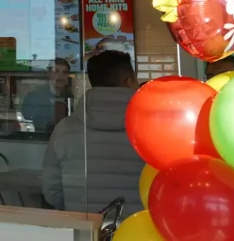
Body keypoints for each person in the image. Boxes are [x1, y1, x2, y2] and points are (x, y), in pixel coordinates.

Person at [40, 50, 145, 214]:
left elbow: (51, 189)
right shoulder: (151, 129)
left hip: (83, 231)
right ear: (128, 80)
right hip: (139, 230)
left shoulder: (64, 129)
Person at [20, 58, 73, 132]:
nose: (60, 76)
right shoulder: (34, 97)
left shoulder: (70, 97)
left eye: (64, 72)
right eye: (56, 71)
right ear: (48, 73)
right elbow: (27, 123)